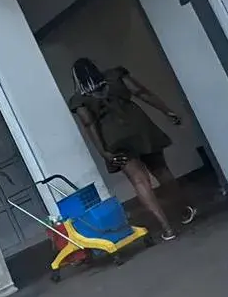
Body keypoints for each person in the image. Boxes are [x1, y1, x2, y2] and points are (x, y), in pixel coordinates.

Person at [68, 57, 196, 240]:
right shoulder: (115, 76)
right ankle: (184, 210)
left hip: (114, 138)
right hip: (141, 128)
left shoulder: (79, 100)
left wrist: (104, 152)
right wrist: (166, 110)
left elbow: (90, 124)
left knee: (139, 181)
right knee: (161, 170)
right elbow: (141, 92)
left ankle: (167, 228)